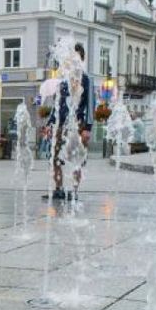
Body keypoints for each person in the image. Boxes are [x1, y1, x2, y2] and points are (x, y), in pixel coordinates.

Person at [45, 43, 91, 201]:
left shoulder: (86, 79)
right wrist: (50, 124)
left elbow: (90, 104)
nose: (73, 60)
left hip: (78, 126)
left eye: (76, 57)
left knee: (76, 159)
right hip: (61, 125)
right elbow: (57, 104)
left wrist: (88, 127)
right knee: (55, 157)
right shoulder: (63, 80)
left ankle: (74, 190)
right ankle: (58, 189)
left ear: (82, 59)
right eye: (71, 57)